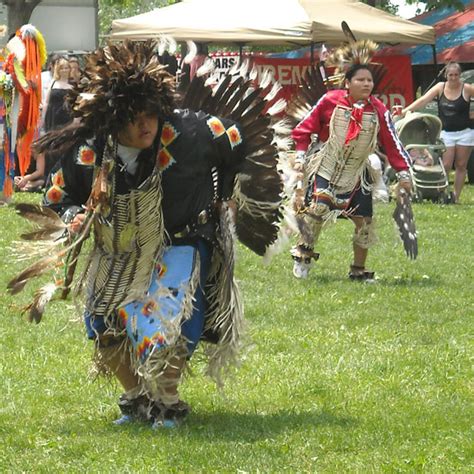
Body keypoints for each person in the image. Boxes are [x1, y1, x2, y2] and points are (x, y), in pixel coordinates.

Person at [11, 41, 284, 428]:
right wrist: (73, 215)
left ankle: (167, 400)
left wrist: (227, 197)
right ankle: (136, 397)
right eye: (135, 118)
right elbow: (56, 193)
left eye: (152, 116)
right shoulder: (88, 150)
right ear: (112, 118)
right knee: (104, 326)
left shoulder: (191, 132)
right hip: (117, 245)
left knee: (170, 322)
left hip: (181, 240)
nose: (147, 126)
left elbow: (240, 145)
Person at [290, 44, 412, 281]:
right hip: (326, 163)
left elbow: (392, 141)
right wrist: (300, 159)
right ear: (348, 82)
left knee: (364, 221)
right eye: (361, 80)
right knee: (319, 207)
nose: (367, 84)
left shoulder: (378, 109)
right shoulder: (329, 100)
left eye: (369, 80)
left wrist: (404, 174)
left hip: (357, 169)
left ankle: (358, 270)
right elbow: (302, 130)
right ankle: (303, 254)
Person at [401, 62, 474, 203]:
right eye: (450, 75)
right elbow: (423, 100)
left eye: (456, 75)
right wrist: (405, 111)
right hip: (446, 133)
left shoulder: (467, 88)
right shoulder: (440, 87)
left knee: (461, 165)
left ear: (460, 75)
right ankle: (441, 193)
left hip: (465, 132)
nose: (453, 78)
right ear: (446, 75)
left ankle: (456, 197)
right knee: (445, 165)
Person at [42, 57, 73, 132]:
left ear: (69, 69)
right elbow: (46, 102)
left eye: (66, 68)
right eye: (61, 68)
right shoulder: (53, 83)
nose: (64, 70)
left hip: (66, 118)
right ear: (58, 70)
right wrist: (43, 117)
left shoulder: (72, 84)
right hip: (52, 117)